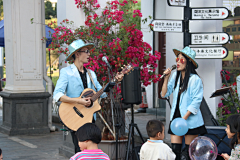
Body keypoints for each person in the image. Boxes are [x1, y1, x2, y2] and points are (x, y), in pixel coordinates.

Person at [53, 39, 123, 153]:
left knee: (91, 150)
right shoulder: (67, 72)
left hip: (89, 117)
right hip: (74, 115)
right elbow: (57, 94)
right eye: (86, 51)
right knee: (79, 149)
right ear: (77, 54)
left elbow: (103, 93)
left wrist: (115, 81)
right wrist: (79, 101)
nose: (89, 54)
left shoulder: (91, 73)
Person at [161, 46, 207, 160]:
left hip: (190, 119)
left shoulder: (195, 79)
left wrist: (184, 118)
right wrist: (166, 78)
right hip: (176, 119)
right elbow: (164, 94)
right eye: (177, 59)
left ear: (188, 62)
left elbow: (196, 101)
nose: (178, 62)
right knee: (175, 151)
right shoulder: (175, 76)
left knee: (188, 153)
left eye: (181, 59)